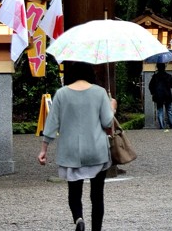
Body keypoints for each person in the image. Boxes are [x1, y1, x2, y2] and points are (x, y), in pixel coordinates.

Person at [38, 61, 115, 231]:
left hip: (70, 151)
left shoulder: (61, 94)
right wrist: (112, 108)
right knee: (97, 196)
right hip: (96, 149)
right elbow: (107, 121)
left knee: (74, 192)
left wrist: (44, 149)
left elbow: (51, 124)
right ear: (90, 73)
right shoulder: (100, 92)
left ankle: (79, 219)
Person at [148, 62, 172, 130]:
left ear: (157, 67)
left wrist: (153, 93)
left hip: (158, 96)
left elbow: (150, 86)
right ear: (164, 67)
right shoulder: (169, 76)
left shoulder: (155, 77)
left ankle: (162, 126)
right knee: (169, 110)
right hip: (167, 95)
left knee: (160, 110)